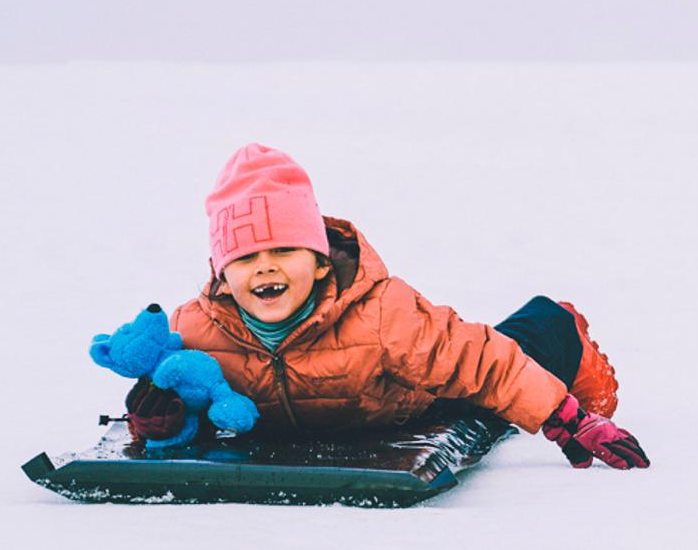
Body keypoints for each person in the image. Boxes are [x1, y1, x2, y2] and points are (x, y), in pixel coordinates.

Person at [122, 143, 648, 469]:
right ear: (221, 273)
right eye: (245, 257)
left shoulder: (379, 313)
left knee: (495, 366)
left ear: (323, 263)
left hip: (415, 405)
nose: (265, 268)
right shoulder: (194, 328)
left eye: (284, 251)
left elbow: (479, 362)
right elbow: (187, 394)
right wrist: (159, 420)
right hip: (325, 422)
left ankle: (559, 325)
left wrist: (567, 420)